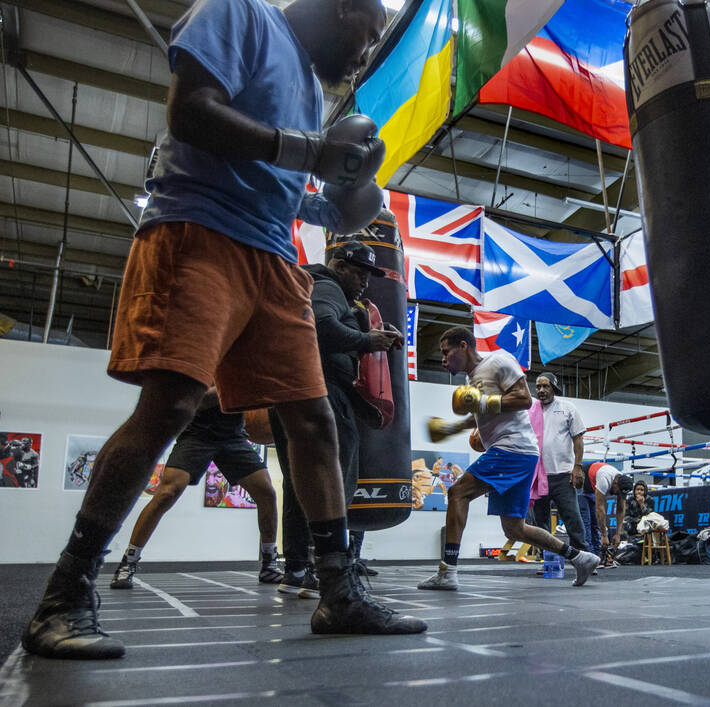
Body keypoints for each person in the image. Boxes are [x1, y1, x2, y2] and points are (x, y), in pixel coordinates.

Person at [21, 0, 424, 660]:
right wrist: (306, 148)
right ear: (343, 7)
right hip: (199, 229)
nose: (365, 56)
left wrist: (345, 199)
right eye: (369, 36)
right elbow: (191, 111)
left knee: (314, 420)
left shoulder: (308, 87)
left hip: (272, 257)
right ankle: (63, 595)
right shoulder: (239, 12)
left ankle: (338, 593)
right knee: (171, 403)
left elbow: (289, 189)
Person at [420, 327, 600, 590]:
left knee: (458, 493)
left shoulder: (497, 361)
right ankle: (580, 557)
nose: (444, 359)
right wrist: (451, 428)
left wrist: (483, 404)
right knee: (515, 529)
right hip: (520, 453)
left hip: (512, 449)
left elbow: (524, 399)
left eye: (447, 352)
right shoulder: (473, 379)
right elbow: (483, 411)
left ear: (464, 346)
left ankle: (447, 572)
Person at [272, 240, 399, 592]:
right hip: (322, 393)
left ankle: (297, 569)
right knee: (336, 480)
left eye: (369, 275)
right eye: (359, 272)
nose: (365, 282)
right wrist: (366, 341)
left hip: (295, 392)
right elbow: (322, 327)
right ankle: (324, 568)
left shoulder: (317, 287)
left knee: (301, 484)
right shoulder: (327, 286)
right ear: (338, 265)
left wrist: (367, 331)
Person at [109, 390, 283, 589]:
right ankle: (128, 563)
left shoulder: (241, 365)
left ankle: (269, 564)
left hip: (233, 436)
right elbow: (195, 399)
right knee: (167, 493)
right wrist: (231, 387)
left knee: (267, 492)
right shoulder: (207, 366)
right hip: (196, 436)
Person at [530, 372, 589, 551]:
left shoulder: (567, 408)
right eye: (538, 386)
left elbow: (578, 440)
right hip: (539, 476)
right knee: (541, 521)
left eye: (545, 386)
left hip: (562, 475)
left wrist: (577, 468)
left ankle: (583, 557)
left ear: (554, 388)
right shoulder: (531, 410)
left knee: (572, 518)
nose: (541, 390)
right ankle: (548, 560)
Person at [586, 461, 635, 561]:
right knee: (586, 521)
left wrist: (617, 534)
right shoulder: (605, 480)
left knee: (595, 525)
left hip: (596, 476)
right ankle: (588, 557)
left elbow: (621, 510)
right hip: (585, 477)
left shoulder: (623, 483)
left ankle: (597, 557)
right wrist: (604, 535)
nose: (617, 494)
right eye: (618, 491)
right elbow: (600, 508)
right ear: (615, 482)